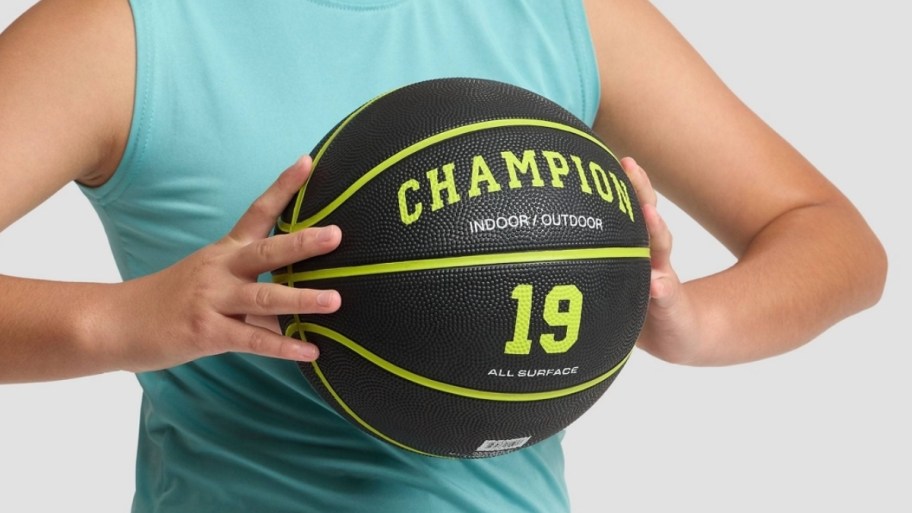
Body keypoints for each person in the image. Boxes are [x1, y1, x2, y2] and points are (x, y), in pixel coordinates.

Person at [0, 0, 887, 512]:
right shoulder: (126, 31)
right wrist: (124, 317)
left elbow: (831, 234)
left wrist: (687, 316)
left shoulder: (562, 17)